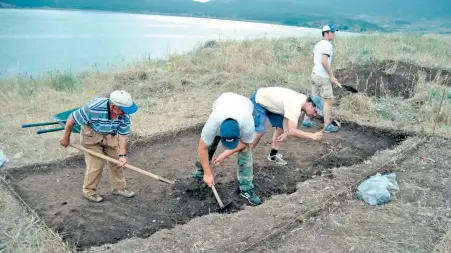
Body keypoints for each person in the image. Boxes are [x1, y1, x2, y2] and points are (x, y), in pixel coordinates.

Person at [59, 90, 138, 203]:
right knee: (96, 164)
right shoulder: (93, 108)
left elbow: (123, 136)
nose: (126, 113)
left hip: (110, 135)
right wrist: (66, 138)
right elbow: (72, 118)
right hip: (91, 136)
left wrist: (122, 155)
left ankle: (119, 188)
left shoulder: (124, 116)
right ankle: (89, 192)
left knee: (117, 161)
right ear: (113, 107)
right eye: (123, 111)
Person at [192, 92, 261, 206]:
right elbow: (202, 148)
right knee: (211, 142)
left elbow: (244, 143)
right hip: (223, 100)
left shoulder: (247, 124)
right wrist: (208, 174)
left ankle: (246, 187)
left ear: (239, 133)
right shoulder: (212, 124)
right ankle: (200, 173)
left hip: (244, 104)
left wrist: (225, 154)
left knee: (245, 151)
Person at [250, 87, 324, 166]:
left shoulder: (302, 101)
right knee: (259, 131)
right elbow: (292, 131)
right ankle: (245, 158)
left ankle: (273, 155)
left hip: (271, 103)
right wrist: (312, 136)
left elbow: (287, 115)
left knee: (280, 128)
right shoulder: (296, 105)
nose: (315, 114)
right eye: (315, 111)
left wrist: (285, 130)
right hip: (259, 99)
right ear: (310, 104)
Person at [302, 23, 340, 133]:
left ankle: (306, 121)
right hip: (323, 77)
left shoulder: (318, 44)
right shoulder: (328, 45)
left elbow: (315, 59)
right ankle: (327, 126)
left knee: (314, 98)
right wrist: (331, 76)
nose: (334, 34)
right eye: (332, 32)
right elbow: (324, 61)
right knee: (328, 101)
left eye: (334, 32)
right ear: (326, 33)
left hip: (314, 74)